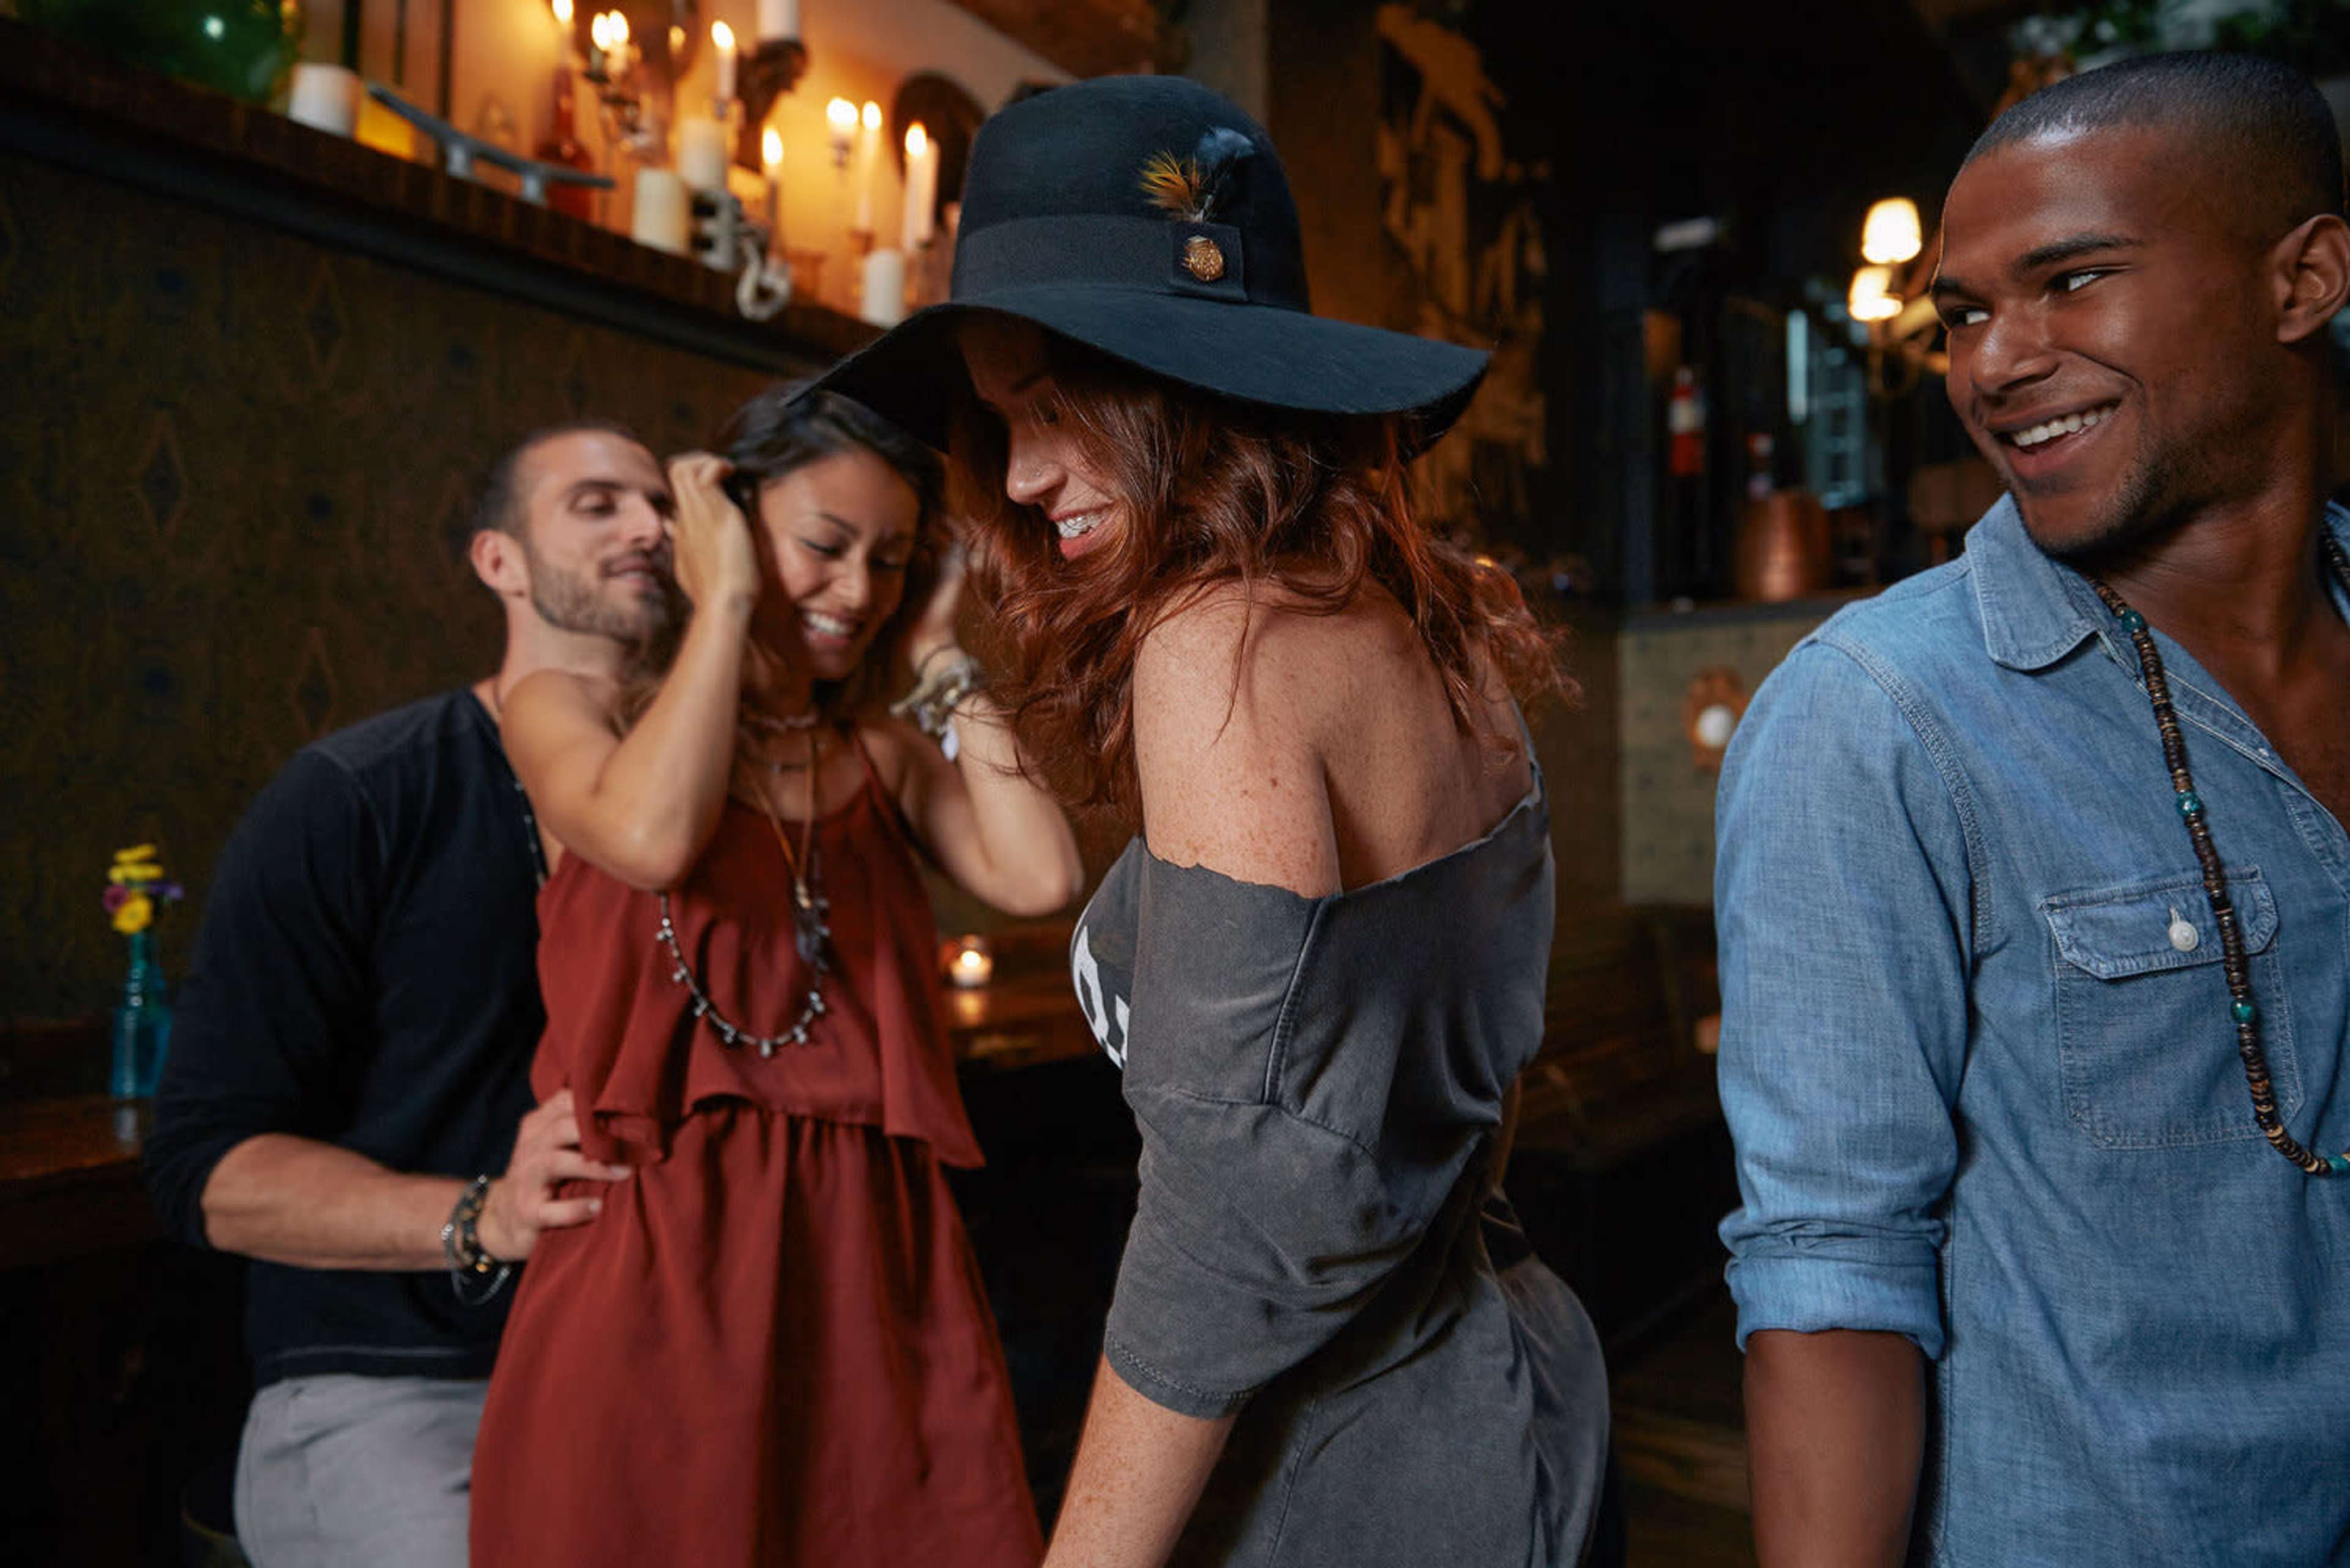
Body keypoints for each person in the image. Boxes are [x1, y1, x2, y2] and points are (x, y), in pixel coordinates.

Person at [805, 75, 1611, 1567]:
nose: (1031, 479)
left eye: (1056, 411)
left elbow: (1225, 1218)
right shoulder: (1427, 632)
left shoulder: (1213, 646)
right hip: (1521, 1403)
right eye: (1002, 424)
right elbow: (1463, 1106)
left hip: (1357, 1473)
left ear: (1181, 383)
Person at [1715, 53, 2350, 1568]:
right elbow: (1828, 1274)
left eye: (2072, 280)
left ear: (2305, 279)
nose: (1998, 363)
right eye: (1969, 314)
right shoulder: (1875, 715)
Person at [468, 386, 1077, 1566]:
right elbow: (650, 838)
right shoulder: (571, 708)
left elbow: (1040, 871)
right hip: (655, 1280)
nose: (857, 590)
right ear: (731, 527)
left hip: (870, 1283)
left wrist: (943, 653)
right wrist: (728, 598)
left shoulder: (881, 756)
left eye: (891, 560)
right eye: (824, 545)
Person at [143, 423, 675, 1566]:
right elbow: (207, 1170)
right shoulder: (357, 797)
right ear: (501, 562)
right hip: (393, 1388)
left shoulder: (709, 810)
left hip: (646, 1375)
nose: (650, 527)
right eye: (598, 504)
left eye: (662, 505)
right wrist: (484, 1214)